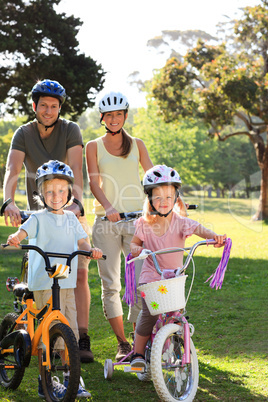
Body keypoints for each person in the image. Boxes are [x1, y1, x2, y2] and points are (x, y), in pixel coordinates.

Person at [3, 79, 93, 362]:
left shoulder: (70, 129)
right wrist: (8, 201)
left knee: (78, 272)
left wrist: (77, 201)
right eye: (43, 105)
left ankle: (80, 336)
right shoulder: (23, 133)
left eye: (54, 106)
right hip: (38, 214)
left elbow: (77, 168)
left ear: (59, 108)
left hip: (68, 212)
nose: (48, 110)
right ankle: (39, 335)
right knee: (40, 276)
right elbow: (12, 169)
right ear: (35, 106)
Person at [6, 160, 103, 398]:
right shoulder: (38, 218)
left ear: (69, 193)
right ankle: (44, 380)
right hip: (43, 281)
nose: (56, 195)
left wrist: (90, 249)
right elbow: (24, 231)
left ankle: (72, 378)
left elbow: (82, 241)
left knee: (68, 329)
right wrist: (16, 236)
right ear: (40, 193)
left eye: (61, 190)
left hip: (66, 282)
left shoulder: (71, 219)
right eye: (49, 191)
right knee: (48, 329)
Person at [129, 165, 227, 368]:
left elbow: (200, 229)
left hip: (174, 278)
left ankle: (173, 345)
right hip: (151, 278)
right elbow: (135, 243)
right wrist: (136, 249)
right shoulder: (144, 224)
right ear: (149, 199)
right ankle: (137, 353)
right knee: (150, 313)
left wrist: (214, 237)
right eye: (158, 197)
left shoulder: (181, 222)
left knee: (177, 312)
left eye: (168, 197)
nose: (163, 202)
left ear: (176, 198)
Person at [86, 91, 153, 361]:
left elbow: (151, 175)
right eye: (109, 115)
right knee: (111, 285)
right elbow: (93, 182)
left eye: (119, 114)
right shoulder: (93, 146)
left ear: (125, 116)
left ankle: (140, 342)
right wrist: (109, 207)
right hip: (106, 224)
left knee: (140, 282)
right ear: (103, 117)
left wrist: (167, 200)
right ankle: (123, 343)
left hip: (137, 221)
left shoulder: (137, 144)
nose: (114, 119)